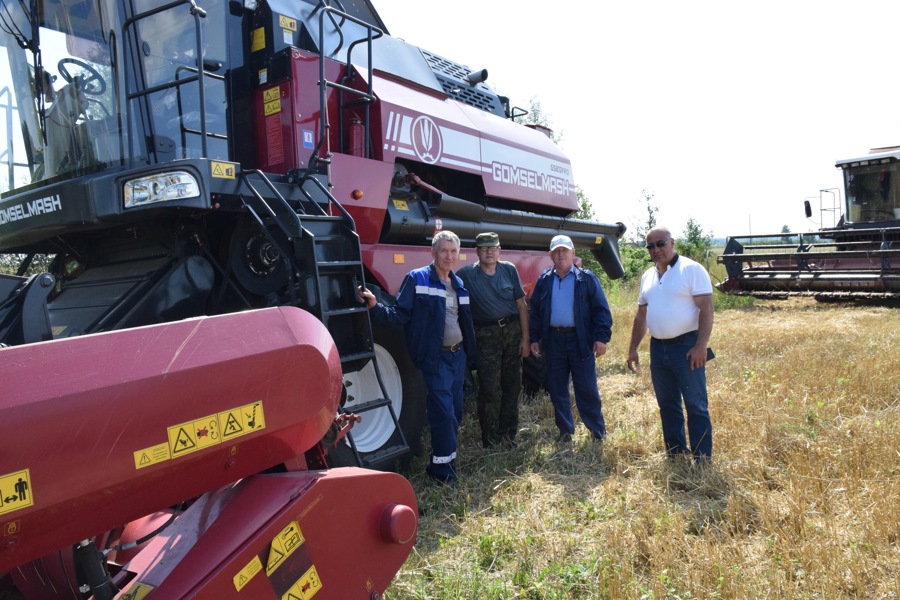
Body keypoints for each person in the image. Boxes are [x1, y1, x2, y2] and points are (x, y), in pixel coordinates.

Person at [358, 230, 476, 485]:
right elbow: (400, 315)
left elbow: (464, 324)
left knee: (455, 412)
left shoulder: (459, 285)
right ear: (433, 252)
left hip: (458, 357)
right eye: (444, 250)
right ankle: (442, 473)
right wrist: (375, 307)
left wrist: (470, 354)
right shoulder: (418, 279)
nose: (449, 256)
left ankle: (444, 460)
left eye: (453, 251)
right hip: (435, 360)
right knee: (443, 414)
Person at [626, 226, 714, 462]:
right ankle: (675, 453)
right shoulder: (648, 276)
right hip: (658, 348)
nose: (656, 250)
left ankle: (702, 459)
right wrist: (633, 348)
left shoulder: (691, 269)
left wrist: (700, 346)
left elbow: (706, 307)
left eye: (660, 244)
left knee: (695, 405)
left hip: (687, 348)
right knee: (667, 404)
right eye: (650, 246)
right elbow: (641, 316)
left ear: (672, 243)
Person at [529, 234, 612, 443]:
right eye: (556, 251)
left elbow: (601, 310)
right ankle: (565, 432)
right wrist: (535, 338)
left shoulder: (586, 279)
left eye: (564, 250)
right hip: (554, 341)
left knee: (587, 389)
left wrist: (601, 338)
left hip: (580, 341)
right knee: (557, 389)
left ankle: (597, 432)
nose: (560, 254)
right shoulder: (544, 279)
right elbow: (536, 312)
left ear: (573, 253)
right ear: (550, 255)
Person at [457, 232, 530, 448]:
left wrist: (525, 338)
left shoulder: (509, 270)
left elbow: (521, 306)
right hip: (485, 336)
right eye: (484, 248)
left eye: (493, 247)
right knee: (488, 388)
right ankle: (489, 438)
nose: (489, 251)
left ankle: (508, 435)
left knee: (512, 385)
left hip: (512, 332)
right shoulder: (466, 276)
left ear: (499, 250)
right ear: (477, 251)